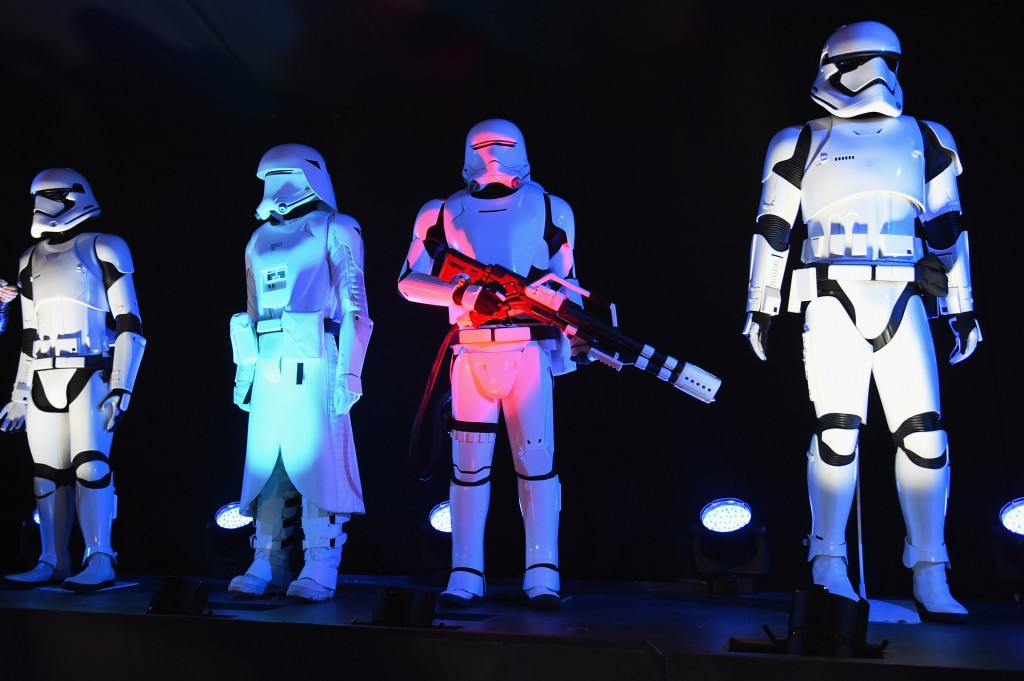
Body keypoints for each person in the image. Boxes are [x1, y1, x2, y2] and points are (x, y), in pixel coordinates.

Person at [742, 21, 981, 623]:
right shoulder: (799, 140)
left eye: (888, 62)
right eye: (862, 61)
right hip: (832, 295)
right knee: (837, 433)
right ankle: (828, 564)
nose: (877, 75)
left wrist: (961, 305)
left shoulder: (926, 137)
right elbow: (773, 228)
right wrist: (760, 304)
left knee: (925, 435)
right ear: (834, 66)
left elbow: (948, 227)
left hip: (903, 294)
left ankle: (930, 567)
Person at [398, 118, 587, 610]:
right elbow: (409, 281)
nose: (492, 158)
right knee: (467, 468)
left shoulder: (551, 208)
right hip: (471, 349)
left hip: (527, 350)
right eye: (482, 147)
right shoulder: (440, 212)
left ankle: (543, 571)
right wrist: (463, 292)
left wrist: (572, 336)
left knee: (537, 464)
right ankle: (465, 571)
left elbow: (567, 285)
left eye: (502, 146)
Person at [228, 143, 372, 603]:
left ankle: (321, 560)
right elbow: (251, 311)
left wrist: (350, 373)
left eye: (283, 174)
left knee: (317, 460)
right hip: (269, 357)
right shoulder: (257, 240)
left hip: (316, 354)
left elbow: (355, 304)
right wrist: (245, 372)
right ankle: (266, 557)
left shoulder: (336, 227)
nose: (273, 186)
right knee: (267, 464)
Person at [0, 168, 146, 593]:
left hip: (91, 370)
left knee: (91, 465)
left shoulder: (104, 247)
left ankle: (100, 556)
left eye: (52, 195)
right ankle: (52, 558)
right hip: (44, 374)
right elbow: (29, 333)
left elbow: (129, 324)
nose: (42, 205)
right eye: (38, 196)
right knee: (46, 472)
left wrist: (122, 385)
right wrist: (20, 393)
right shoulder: (29, 259)